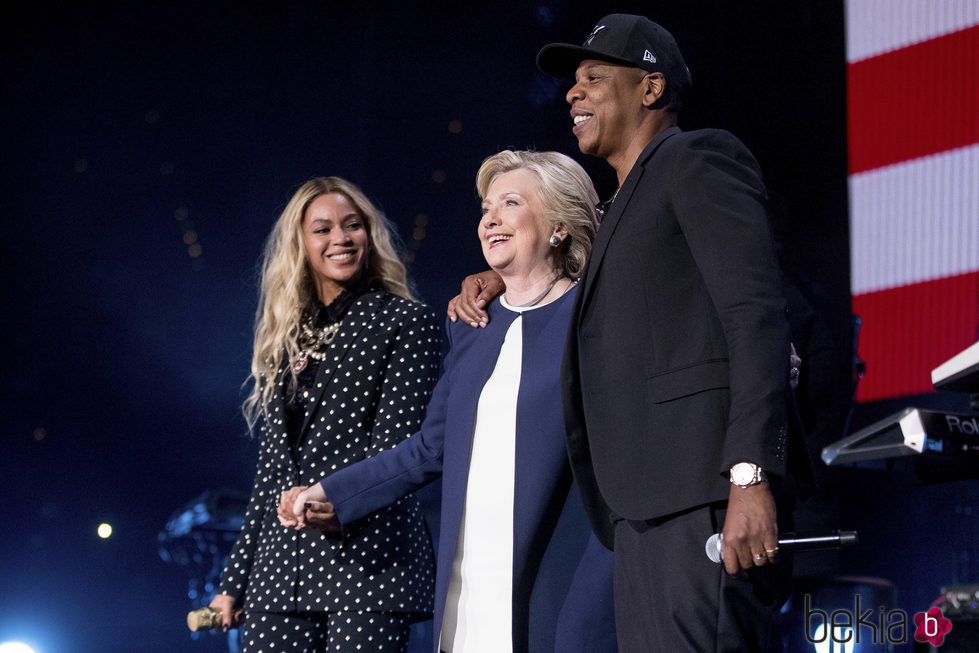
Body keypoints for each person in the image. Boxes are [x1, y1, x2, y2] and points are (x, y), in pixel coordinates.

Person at [448, 14, 812, 653]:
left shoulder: (698, 159)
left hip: (706, 494)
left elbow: (755, 316)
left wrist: (751, 475)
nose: (572, 93)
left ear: (650, 88)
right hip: (637, 513)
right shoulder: (623, 203)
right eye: (572, 84)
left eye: (593, 77)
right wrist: (499, 281)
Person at [284, 151, 617, 653]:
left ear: (560, 226)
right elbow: (430, 448)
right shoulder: (471, 324)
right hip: (470, 578)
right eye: (486, 208)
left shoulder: (597, 316)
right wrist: (334, 492)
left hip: (562, 573)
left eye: (511, 202)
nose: (492, 218)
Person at [209, 177, 441, 652]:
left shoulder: (405, 322)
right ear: (300, 244)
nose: (341, 238)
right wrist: (234, 580)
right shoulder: (285, 337)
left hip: (367, 562)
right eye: (323, 229)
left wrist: (335, 504)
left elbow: (399, 451)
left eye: (352, 225)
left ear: (369, 235)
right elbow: (272, 473)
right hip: (280, 572)